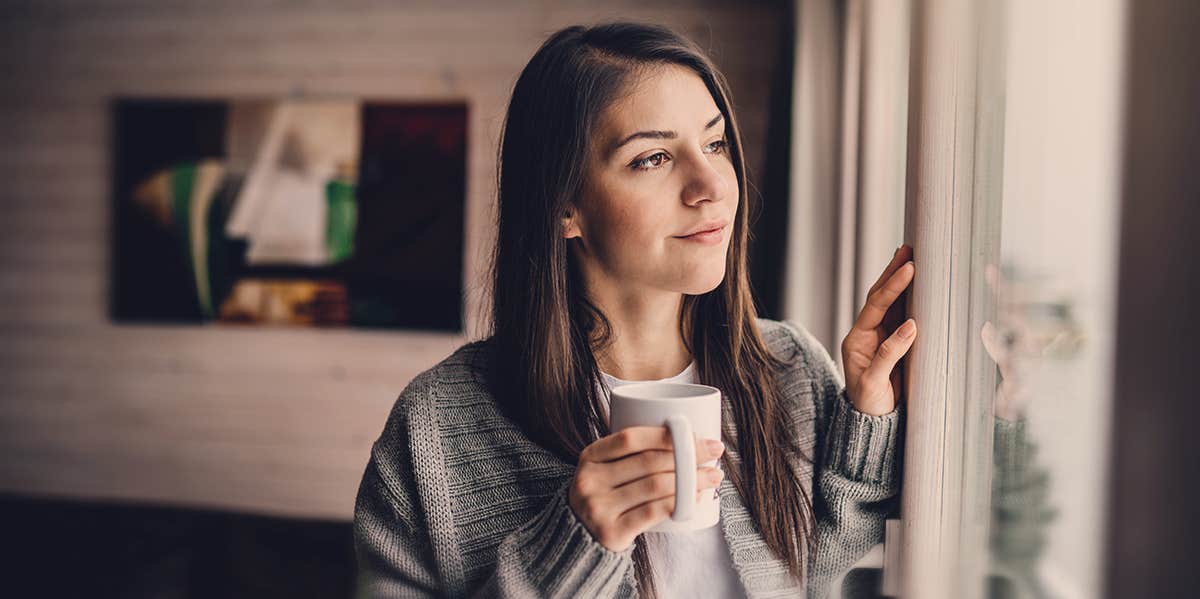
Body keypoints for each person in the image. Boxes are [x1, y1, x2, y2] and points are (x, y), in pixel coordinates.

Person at [353, 22, 918, 599]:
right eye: (652, 158)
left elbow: (810, 574)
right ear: (564, 205)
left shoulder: (790, 368)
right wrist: (573, 543)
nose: (711, 186)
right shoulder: (438, 427)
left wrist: (866, 419)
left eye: (715, 143)